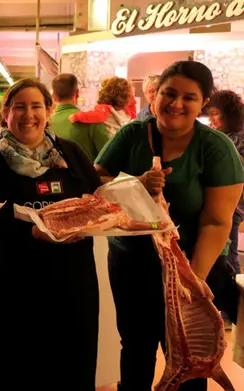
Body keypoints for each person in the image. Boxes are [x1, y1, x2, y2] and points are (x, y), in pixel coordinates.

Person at [95, 61, 244, 391]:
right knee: (134, 348)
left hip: (192, 266)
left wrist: (192, 280)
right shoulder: (132, 134)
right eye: (169, 93)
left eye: (189, 97)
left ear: (204, 102)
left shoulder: (216, 149)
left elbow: (218, 221)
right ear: (155, 95)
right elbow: (96, 182)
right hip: (131, 264)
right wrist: (136, 183)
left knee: (186, 356)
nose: (176, 104)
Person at [0, 78, 102, 390]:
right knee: (17, 368)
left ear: (49, 111)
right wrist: (30, 232)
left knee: (72, 366)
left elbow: (99, 200)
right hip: (14, 285)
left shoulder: (69, 153)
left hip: (72, 283)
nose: (28, 115)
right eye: (19, 107)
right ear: (5, 113)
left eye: (36, 106)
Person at [205, 89, 244, 274]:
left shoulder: (237, 139)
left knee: (228, 255)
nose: (211, 119)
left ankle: (235, 298)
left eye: (215, 114)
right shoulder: (227, 136)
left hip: (233, 203)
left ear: (228, 115)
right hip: (228, 203)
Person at [49, 73, 110, 161]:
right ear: (77, 93)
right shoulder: (92, 121)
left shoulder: (44, 125)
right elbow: (108, 158)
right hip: (86, 174)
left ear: (53, 97)